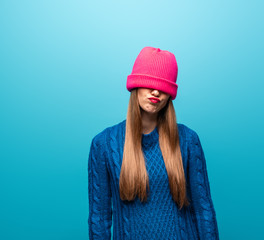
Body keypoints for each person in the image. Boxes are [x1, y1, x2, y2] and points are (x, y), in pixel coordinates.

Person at [87, 46, 219, 240]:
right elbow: (100, 218)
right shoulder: (104, 144)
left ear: (170, 95)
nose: (156, 91)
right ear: (135, 86)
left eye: (164, 87)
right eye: (149, 83)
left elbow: (203, 211)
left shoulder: (188, 140)